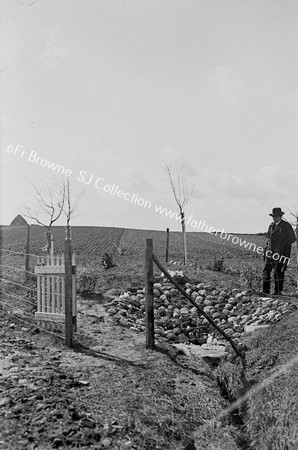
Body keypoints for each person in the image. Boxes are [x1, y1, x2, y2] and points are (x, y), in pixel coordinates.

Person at [262, 207, 296, 295]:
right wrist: (267, 246)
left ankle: (278, 291)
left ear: (281, 216)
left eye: (277, 216)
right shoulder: (271, 225)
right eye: (273, 216)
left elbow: (292, 238)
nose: (275, 217)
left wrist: (281, 246)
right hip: (270, 252)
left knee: (278, 272)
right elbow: (267, 237)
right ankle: (265, 290)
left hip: (281, 253)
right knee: (265, 271)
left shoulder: (286, 226)